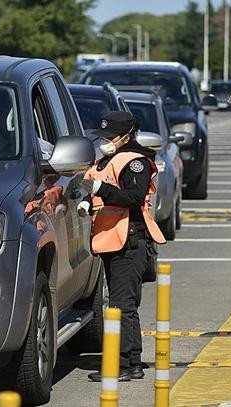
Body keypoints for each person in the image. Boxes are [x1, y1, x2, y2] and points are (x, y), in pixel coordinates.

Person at [77, 111, 167, 382]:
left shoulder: (135, 161)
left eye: (111, 136)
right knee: (123, 304)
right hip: (112, 240)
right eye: (103, 136)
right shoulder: (107, 159)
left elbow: (134, 196)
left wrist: (99, 189)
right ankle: (132, 363)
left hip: (130, 241)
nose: (106, 140)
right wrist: (87, 200)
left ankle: (125, 365)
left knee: (122, 305)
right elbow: (95, 190)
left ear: (127, 136)